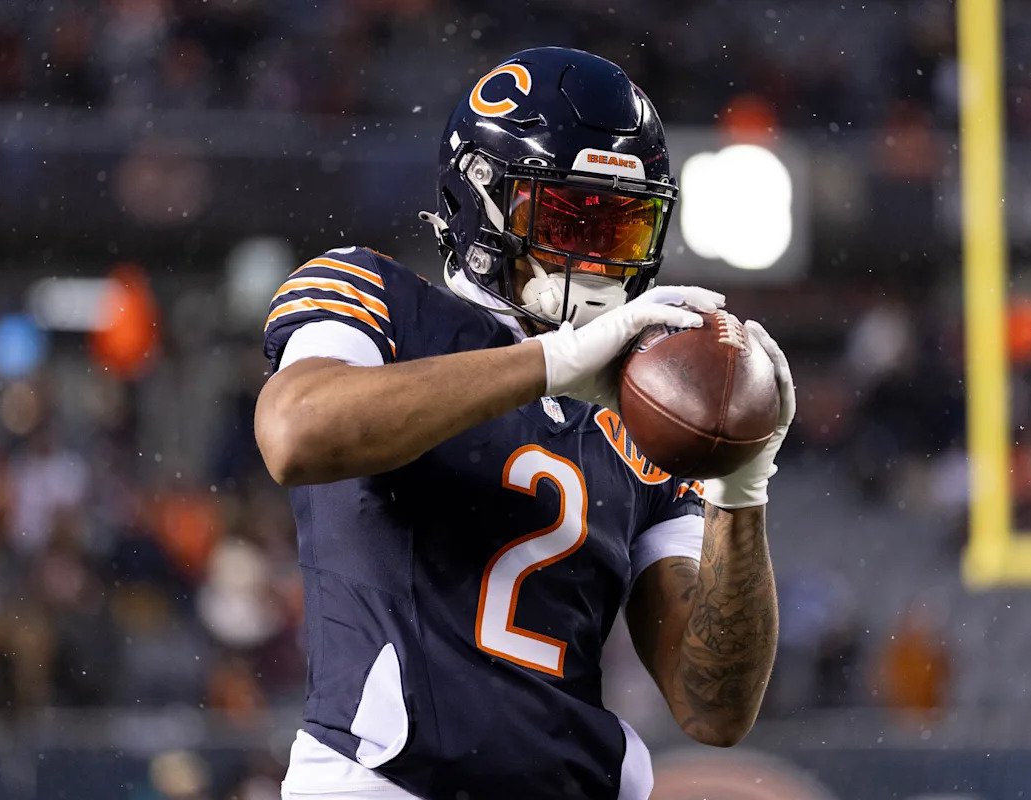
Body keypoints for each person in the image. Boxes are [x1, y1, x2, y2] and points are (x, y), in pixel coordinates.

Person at [255, 47, 794, 800]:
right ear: (480, 199)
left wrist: (742, 485)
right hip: (388, 782)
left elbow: (713, 706)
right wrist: (550, 363)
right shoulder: (378, 296)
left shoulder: (642, 410)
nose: (596, 260)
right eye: (570, 219)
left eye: (622, 229)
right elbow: (296, 434)